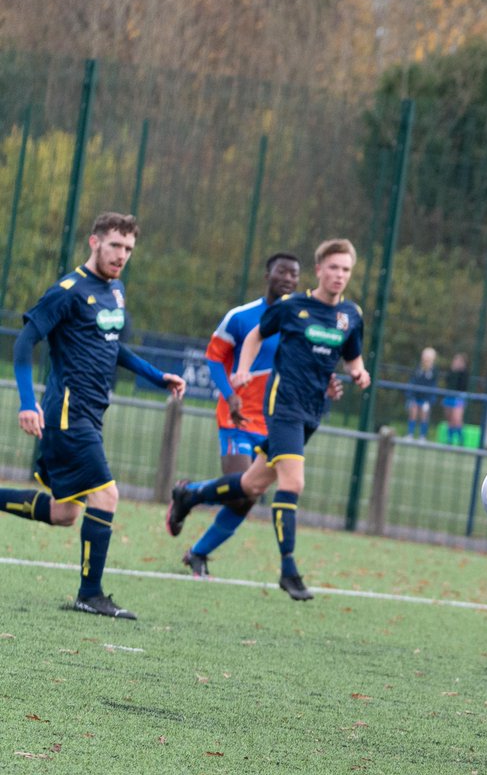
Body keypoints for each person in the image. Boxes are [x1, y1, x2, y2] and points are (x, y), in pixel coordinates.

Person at [0, 212, 186, 619]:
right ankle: (90, 594)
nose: (122, 255)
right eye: (115, 246)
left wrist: (157, 376)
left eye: (129, 249)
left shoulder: (115, 291)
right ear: (94, 242)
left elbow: (112, 346)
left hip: (90, 413)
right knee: (107, 495)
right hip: (68, 413)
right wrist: (27, 402)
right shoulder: (67, 291)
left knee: (65, 513)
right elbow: (24, 344)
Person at [166, 239, 370, 601]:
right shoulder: (285, 309)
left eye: (346, 270)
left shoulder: (350, 315)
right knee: (292, 482)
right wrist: (238, 378)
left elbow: (348, 356)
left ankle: (190, 495)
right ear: (319, 269)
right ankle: (288, 569)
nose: (339, 275)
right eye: (333, 268)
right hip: (275, 409)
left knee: (251, 486)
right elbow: (248, 340)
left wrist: (356, 373)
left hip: (310, 412)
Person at [406, 346, 438, 440]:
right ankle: (410, 434)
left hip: (426, 398)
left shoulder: (434, 371)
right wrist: (410, 395)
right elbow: (413, 381)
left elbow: (433, 384)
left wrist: (430, 399)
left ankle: (422, 436)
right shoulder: (417, 368)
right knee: (413, 412)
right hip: (415, 396)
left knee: (424, 415)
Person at [442, 353, 469, 445]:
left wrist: (459, 372)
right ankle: (449, 439)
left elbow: (463, 385)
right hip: (449, 396)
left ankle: (461, 440)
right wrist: (453, 371)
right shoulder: (451, 371)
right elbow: (448, 382)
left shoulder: (464, 373)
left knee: (457, 419)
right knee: (449, 418)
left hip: (459, 397)